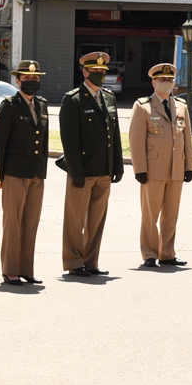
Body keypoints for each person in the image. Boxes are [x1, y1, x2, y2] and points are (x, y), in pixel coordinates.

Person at [57, 50, 122, 276]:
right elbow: (69, 140)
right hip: (82, 171)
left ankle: (91, 262)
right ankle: (74, 262)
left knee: (96, 221)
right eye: (96, 71)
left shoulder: (109, 98)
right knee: (75, 221)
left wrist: (117, 165)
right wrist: (76, 171)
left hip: (103, 170)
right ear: (85, 72)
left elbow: (114, 135)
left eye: (103, 71)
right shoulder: (73, 99)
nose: (100, 75)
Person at [128, 62, 192, 267]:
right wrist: (139, 168)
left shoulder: (181, 106)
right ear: (153, 82)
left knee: (171, 215)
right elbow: (136, 140)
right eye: (163, 80)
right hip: (153, 170)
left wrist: (189, 166)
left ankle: (167, 253)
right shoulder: (143, 106)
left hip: (176, 169)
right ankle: (149, 253)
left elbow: (187, 139)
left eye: (170, 80)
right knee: (150, 214)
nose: (167, 83)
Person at [0, 59, 50, 285]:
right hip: (14, 173)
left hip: (36, 173)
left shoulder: (42, 105)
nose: (32, 82)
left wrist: (42, 169)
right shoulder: (9, 105)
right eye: (27, 79)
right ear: (17, 80)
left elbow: (43, 142)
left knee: (31, 222)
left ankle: (27, 269)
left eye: (35, 78)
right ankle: (10, 269)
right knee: (13, 222)